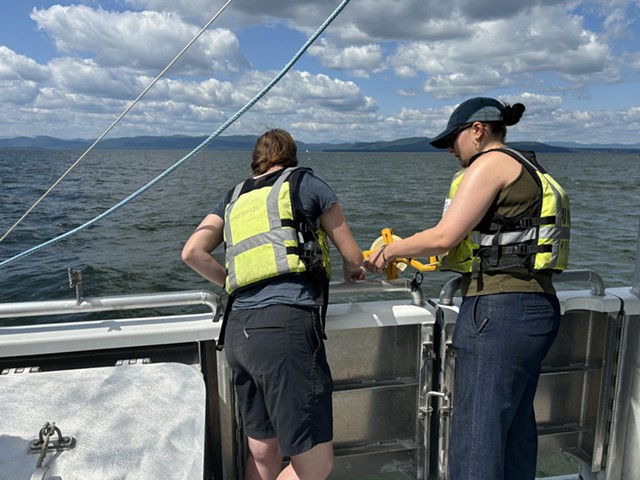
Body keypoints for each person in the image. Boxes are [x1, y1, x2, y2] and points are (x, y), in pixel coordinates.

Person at [364, 97, 570, 480]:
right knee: (514, 432)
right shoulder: (529, 167)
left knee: (477, 435)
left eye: (452, 139)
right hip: (539, 306)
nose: (448, 150)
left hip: (499, 312)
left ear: (477, 131)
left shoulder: (490, 164)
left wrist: (389, 250)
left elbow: (445, 237)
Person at [182, 128, 365, 480]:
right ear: (292, 156)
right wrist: (354, 268)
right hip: (285, 330)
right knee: (315, 464)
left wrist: (235, 283)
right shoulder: (307, 185)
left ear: (256, 160)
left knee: (265, 452)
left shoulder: (232, 197)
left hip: (238, 333)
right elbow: (353, 255)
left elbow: (192, 252)